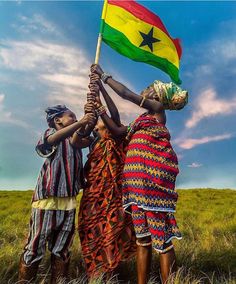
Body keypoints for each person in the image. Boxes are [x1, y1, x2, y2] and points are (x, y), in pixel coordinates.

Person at [90, 64, 188, 284]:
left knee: (162, 241)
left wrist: (104, 76)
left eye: (151, 88)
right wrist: (100, 106)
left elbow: (126, 94)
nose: (146, 90)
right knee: (142, 240)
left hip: (154, 184)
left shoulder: (156, 111)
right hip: (135, 186)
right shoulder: (139, 122)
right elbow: (116, 132)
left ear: (158, 97)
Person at [18, 104, 96, 284]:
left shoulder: (75, 140)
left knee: (61, 250)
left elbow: (83, 138)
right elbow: (50, 141)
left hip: (68, 202)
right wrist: (82, 122)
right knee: (35, 247)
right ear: (57, 120)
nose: (75, 119)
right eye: (71, 116)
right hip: (47, 201)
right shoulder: (50, 133)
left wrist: (89, 121)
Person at [78, 80, 136, 280]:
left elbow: (114, 114)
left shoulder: (117, 137)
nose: (104, 129)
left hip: (115, 192)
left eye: (107, 126)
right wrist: (92, 104)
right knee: (93, 230)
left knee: (114, 229)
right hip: (95, 193)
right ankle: (98, 274)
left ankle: (114, 272)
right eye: (99, 127)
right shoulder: (92, 137)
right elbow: (79, 135)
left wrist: (101, 88)